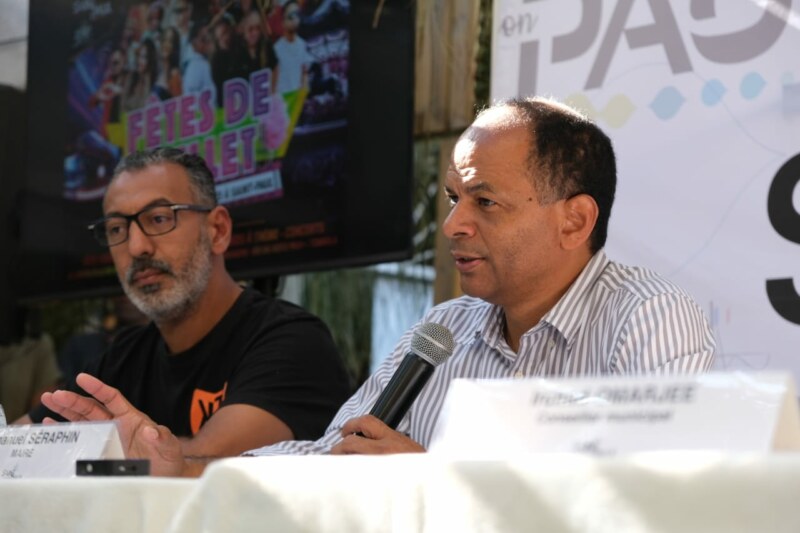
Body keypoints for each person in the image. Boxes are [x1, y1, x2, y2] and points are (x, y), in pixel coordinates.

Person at [39, 97, 716, 475]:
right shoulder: (444, 330)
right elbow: (333, 452)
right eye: (451, 197)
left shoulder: (649, 318)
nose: (452, 225)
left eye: (485, 202)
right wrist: (183, 465)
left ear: (575, 218)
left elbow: (662, 500)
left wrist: (437, 474)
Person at [24, 147, 352, 460]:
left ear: (218, 230)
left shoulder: (290, 341)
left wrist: (107, 449)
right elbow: (18, 445)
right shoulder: (120, 361)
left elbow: (211, 466)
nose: (137, 247)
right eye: (116, 228)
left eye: (159, 219)